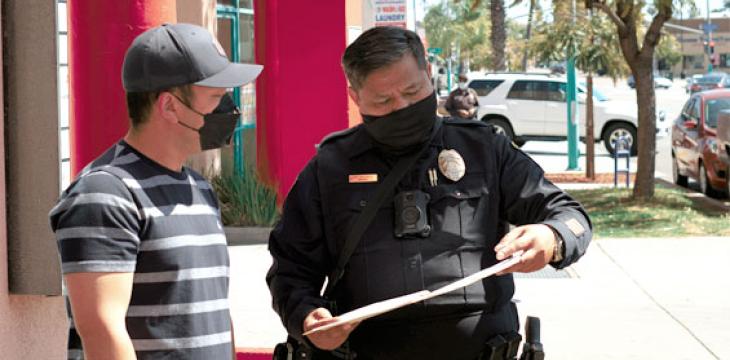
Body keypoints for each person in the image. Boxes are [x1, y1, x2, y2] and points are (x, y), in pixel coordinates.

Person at [266, 26, 591, 360]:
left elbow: (571, 216)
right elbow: (290, 270)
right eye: (384, 100)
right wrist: (307, 316)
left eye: (413, 90)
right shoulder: (329, 168)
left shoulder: (484, 149)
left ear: (428, 74)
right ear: (355, 96)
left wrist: (552, 237)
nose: (403, 106)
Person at [50, 23, 262, 360]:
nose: (230, 108)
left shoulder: (199, 189)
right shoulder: (104, 193)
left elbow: (214, 314)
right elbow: (103, 331)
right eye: (216, 97)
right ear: (170, 106)